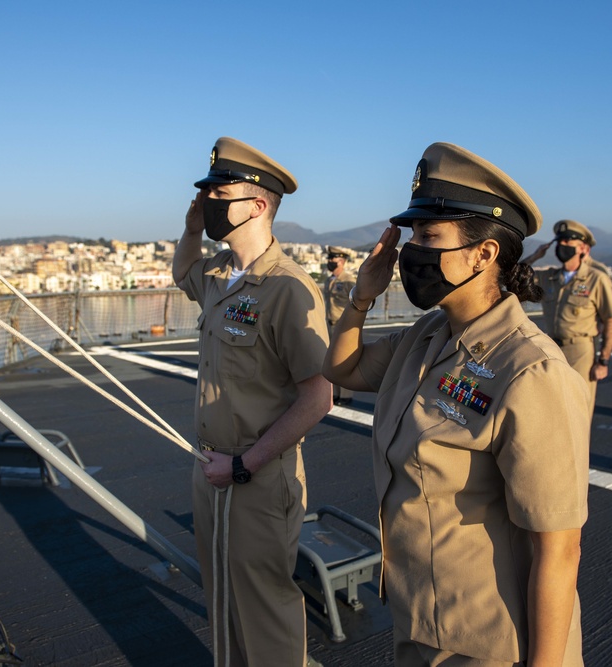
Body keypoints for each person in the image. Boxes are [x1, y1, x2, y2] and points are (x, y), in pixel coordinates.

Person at [323, 142, 589, 667]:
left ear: (484, 254)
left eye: (428, 236)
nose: (410, 251)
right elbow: (342, 370)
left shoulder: (532, 371)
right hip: (418, 618)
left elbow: (559, 550)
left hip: (485, 643)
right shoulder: (427, 337)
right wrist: (361, 297)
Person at [172, 136, 333, 667]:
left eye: (221, 192)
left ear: (257, 205)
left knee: (266, 613)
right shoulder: (220, 273)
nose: (210, 199)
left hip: (255, 473)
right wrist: (193, 228)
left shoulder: (288, 288)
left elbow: (318, 396)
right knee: (222, 600)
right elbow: (182, 274)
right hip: (211, 464)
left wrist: (244, 464)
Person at [521, 220, 612, 408]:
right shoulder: (549, 277)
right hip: (552, 350)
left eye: (568, 242)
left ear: (583, 248)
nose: (562, 246)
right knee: (554, 407)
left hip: (580, 352)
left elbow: (610, 321)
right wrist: (535, 256)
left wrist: (603, 361)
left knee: (579, 407)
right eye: (559, 242)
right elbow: (515, 277)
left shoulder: (596, 279)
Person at [322, 245, 358, 405]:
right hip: (330, 324)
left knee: (343, 360)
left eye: (333, 258)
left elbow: (359, 301)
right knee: (331, 359)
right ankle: (335, 393)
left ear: (342, 261)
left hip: (343, 325)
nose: (330, 261)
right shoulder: (329, 280)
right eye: (329, 258)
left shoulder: (349, 280)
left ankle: (346, 395)